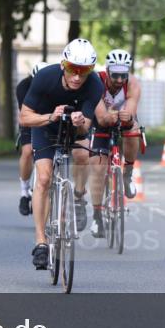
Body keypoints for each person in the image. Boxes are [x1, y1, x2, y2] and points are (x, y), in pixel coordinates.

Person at [18, 39, 103, 270]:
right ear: (63, 64)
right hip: (45, 126)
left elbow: (86, 125)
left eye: (83, 71)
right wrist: (50, 116)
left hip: (73, 129)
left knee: (84, 156)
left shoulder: (95, 85)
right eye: (72, 69)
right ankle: (41, 243)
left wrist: (79, 121)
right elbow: (24, 118)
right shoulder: (45, 77)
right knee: (44, 178)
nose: (77, 76)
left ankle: (77, 197)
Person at [88, 49, 144, 238]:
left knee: (134, 130)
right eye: (115, 75)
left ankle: (127, 173)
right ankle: (96, 216)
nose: (119, 80)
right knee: (97, 168)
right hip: (101, 120)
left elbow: (130, 111)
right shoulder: (95, 82)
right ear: (107, 70)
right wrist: (107, 116)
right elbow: (102, 118)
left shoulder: (133, 84)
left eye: (123, 75)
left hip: (123, 118)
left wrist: (126, 117)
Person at [16, 61, 50, 216]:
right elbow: (25, 115)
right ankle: (24, 192)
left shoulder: (55, 84)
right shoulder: (23, 87)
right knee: (28, 151)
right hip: (30, 120)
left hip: (48, 121)